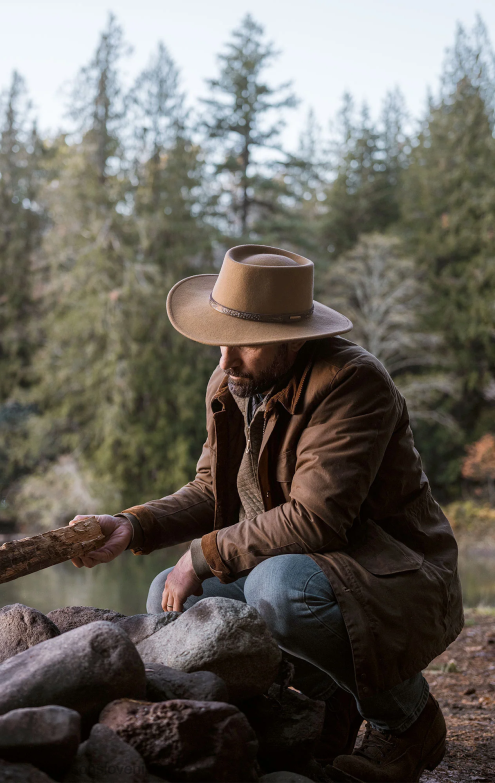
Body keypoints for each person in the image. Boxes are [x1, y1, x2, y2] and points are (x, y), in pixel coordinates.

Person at [69, 244, 463, 783]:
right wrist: (135, 524)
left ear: (292, 339)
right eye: (219, 344)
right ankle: (322, 706)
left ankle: (410, 723)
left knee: (278, 590)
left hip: (390, 572)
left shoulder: (353, 383)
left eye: (245, 346)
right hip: (303, 566)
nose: (226, 362)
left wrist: (201, 554)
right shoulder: (233, 380)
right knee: (174, 592)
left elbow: (317, 520)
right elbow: (212, 489)